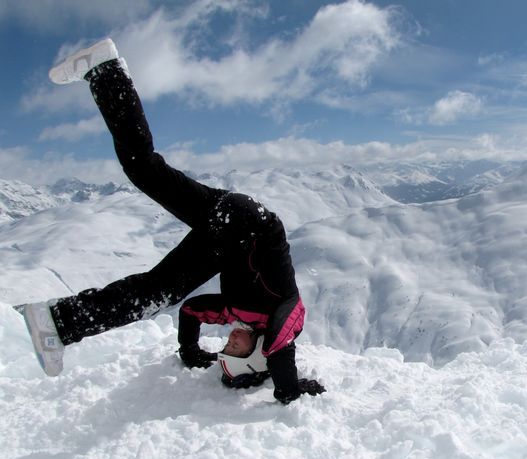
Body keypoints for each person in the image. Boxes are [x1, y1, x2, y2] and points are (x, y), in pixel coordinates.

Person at [20, 38, 325, 404]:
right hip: (247, 224)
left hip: (226, 240)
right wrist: (291, 390)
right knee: (146, 175)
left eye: (224, 348)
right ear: (257, 354)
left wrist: (190, 351)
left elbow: (192, 311)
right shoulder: (287, 315)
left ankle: (58, 321)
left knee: (153, 285)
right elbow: (280, 343)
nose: (228, 342)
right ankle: (105, 71)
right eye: (236, 350)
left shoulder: (232, 313)